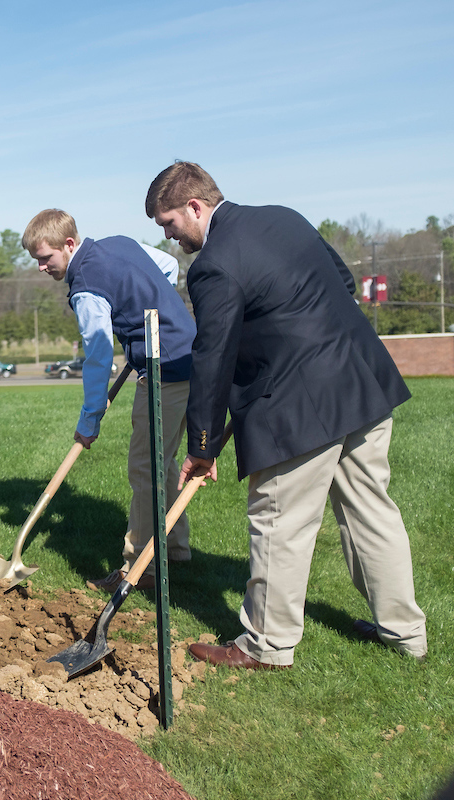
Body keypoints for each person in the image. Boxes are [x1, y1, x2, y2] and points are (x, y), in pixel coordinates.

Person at [146, 161, 427, 669]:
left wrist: (201, 446)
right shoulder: (284, 217)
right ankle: (405, 633)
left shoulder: (213, 266)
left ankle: (265, 645)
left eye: (169, 224)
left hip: (295, 409)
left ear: (195, 206)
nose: (171, 237)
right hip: (361, 380)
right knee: (373, 512)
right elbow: (341, 282)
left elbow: (212, 359)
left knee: (279, 522)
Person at [22, 209, 196, 592]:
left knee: (145, 466)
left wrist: (90, 420)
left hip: (165, 368)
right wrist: (143, 315)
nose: (41, 267)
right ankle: (173, 550)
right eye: (36, 260)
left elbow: (98, 357)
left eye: (45, 258)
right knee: (162, 462)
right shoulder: (117, 244)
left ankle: (140, 568)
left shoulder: (85, 287)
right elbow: (167, 267)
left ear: (68, 245)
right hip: (191, 355)